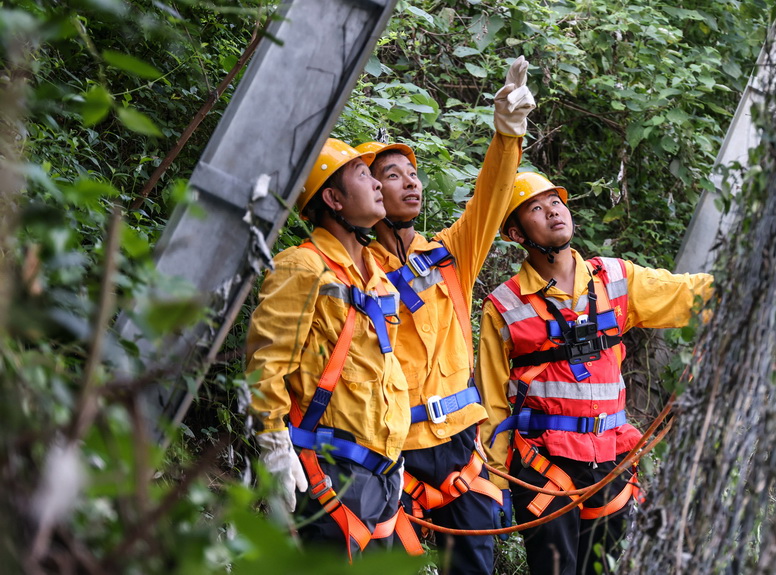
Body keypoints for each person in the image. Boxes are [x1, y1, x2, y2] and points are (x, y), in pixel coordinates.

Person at [478, 172, 715, 575]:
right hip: (544, 466)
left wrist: (744, 285)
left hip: (610, 457)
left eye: (556, 202)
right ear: (516, 234)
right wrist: (496, 482)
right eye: (536, 207)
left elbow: (683, 293)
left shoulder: (614, 280)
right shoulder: (504, 306)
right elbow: (492, 402)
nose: (553, 211)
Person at [354, 56, 535, 575]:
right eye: (392, 176)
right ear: (368, 191)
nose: (410, 183)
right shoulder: (353, 270)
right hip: (391, 448)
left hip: (460, 444)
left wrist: (508, 133)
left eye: (413, 175)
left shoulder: (450, 256)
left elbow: (490, 199)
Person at [245, 138, 420, 560]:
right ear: (334, 199)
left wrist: (395, 457)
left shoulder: (378, 278)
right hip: (328, 471)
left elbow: (384, 372)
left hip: (381, 475)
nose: (376, 184)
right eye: (363, 176)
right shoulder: (302, 266)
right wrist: (273, 444)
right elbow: (266, 363)